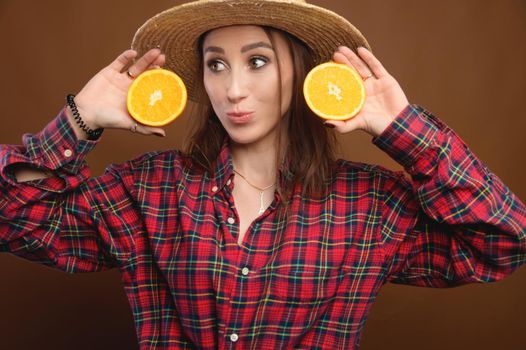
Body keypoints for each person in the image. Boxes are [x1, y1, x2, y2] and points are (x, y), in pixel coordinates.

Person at [1, 0, 525, 348]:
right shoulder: (149, 190)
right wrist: (78, 120)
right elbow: (14, 220)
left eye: (257, 62)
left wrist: (402, 129)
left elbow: (503, 242)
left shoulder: (372, 206)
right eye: (215, 64)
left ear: (300, 71)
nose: (232, 90)